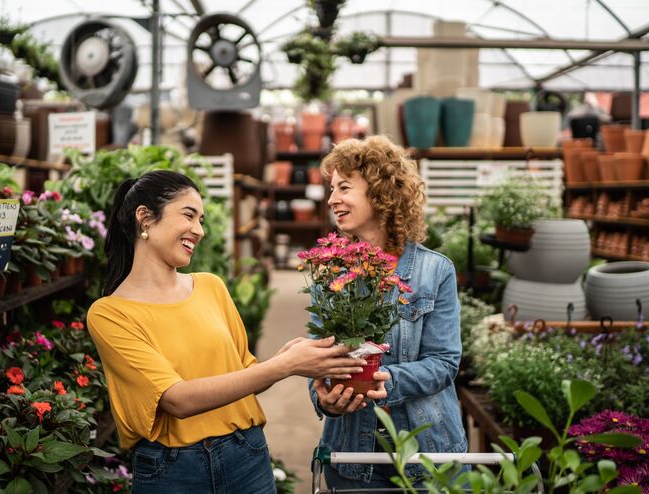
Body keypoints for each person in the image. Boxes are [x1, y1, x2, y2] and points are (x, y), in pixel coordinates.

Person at [86, 170, 368, 493]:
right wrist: (285, 366)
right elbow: (176, 400)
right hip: (173, 472)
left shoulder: (211, 287)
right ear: (145, 218)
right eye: (189, 215)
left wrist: (287, 359)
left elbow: (243, 375)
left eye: (201, 219)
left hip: (246, 456)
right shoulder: (110, 314)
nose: (200, 230)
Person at [308, 135, 467, 489]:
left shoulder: (434, 271)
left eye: (344, 187)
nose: (333, 199)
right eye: (332, 189)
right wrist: (324, 397)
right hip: (352, 457)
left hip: (428, 454)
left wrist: (387, 382)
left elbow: (444, 362)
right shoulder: (328, 272)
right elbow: (316, 356)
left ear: (380, 193)